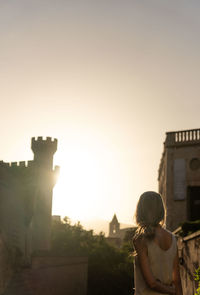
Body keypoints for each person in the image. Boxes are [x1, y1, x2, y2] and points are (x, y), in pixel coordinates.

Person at [133, 191, 183, 295]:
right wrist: (175, 292)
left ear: (140, 211)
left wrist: (172, 291)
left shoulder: (140, 239)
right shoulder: (173, 238)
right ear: (161, 211)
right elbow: (177, 280)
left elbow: (152, 283)